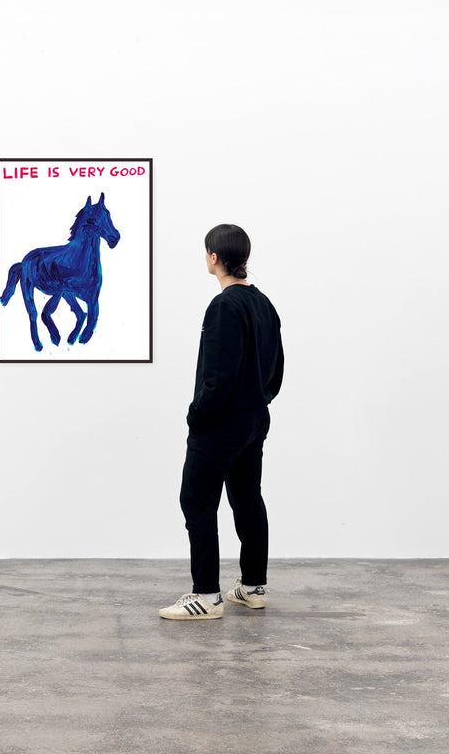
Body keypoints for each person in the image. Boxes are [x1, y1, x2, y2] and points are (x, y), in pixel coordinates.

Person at [159, 224, 284, 620]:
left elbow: (217, 377)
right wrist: (258, 400)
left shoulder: (223, 306)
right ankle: (252, 587)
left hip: (221, 424)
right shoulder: (264, 304)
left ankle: (207, 596)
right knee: (247, 498)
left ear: (213, 257)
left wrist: (197, 416)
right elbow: (277, 368)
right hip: (253, 420)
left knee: (196, 501)